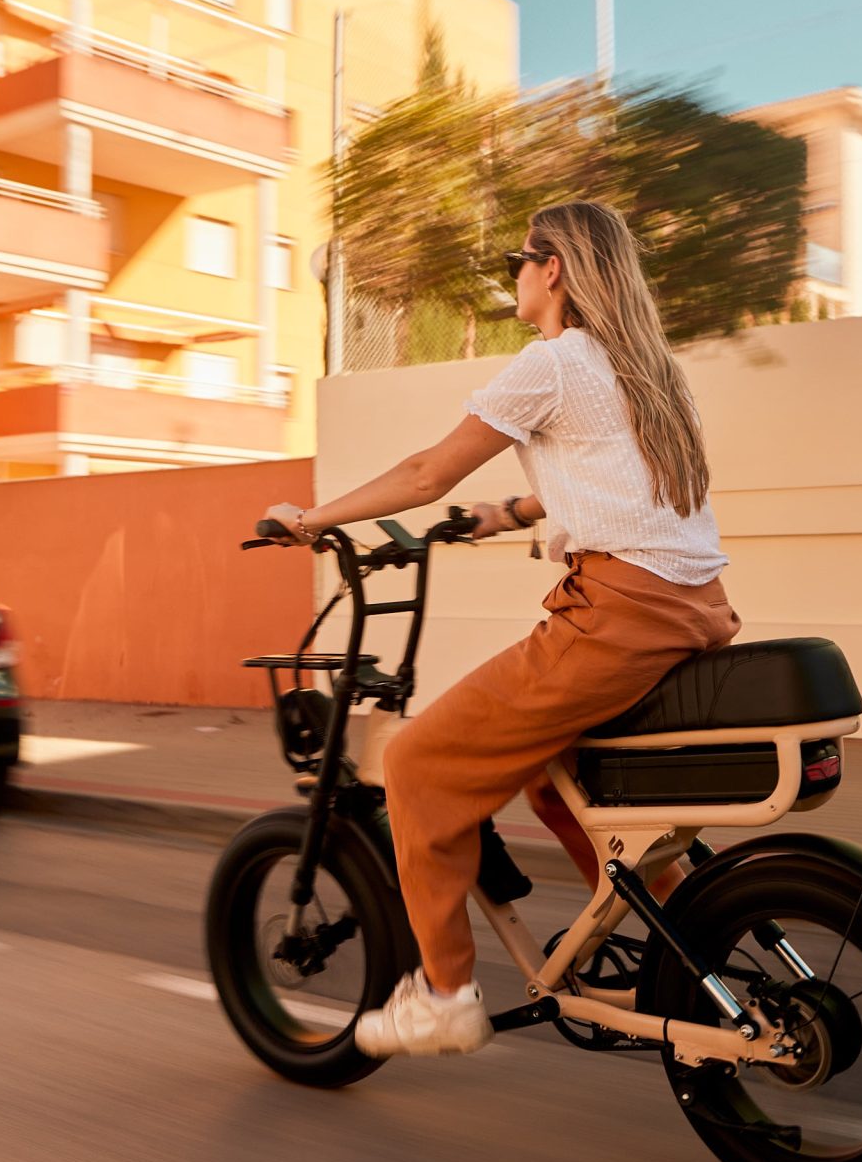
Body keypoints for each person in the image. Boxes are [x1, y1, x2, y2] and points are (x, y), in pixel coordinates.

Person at [260, 201, 738, 1058]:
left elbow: (424, 472)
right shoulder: (649, 368)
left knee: (416, 764)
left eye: (519, 260)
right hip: (694, 608)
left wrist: (312, 519)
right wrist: (510, 510)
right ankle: (675, 946)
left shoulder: (551, 363)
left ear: (552, 270)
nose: (513, 276)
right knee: (556, 786)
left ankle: (443, 994)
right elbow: (620, 482)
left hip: (614, 618)